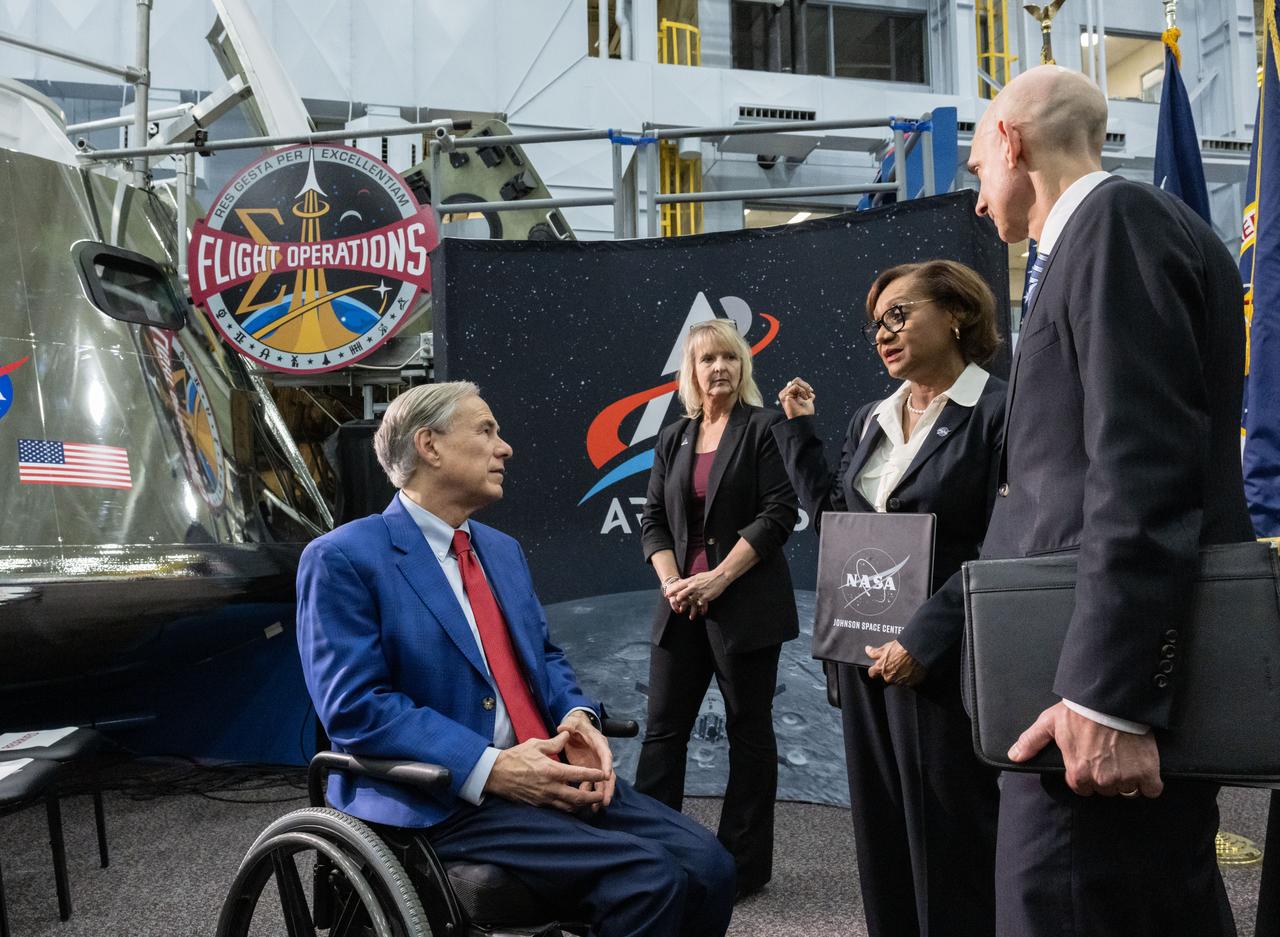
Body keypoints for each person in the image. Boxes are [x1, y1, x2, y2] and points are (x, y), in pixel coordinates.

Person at [953, 65, 1253, 936]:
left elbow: (1143, 469)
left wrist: (1107, 698)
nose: (978, 200)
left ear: (1010, 142)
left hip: (1092, 718)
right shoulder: (1095, 245)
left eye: (977, 169)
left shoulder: (1115, 225)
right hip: (1073, 699)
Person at [296, 381, 736, 937]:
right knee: (650, 880)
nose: (504, 448)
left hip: (545, 770)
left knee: (712, 865)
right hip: (440, 798)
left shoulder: (499, 550)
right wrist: (493, 767)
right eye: (486, 431)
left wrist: (577, 716)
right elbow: (356, 709)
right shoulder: (342, 558)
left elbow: (544, 658)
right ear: (429, 446)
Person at [774, 259, 1006, 937]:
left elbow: (1010, 545)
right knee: (882, 840)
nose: (884, 332)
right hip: (863, 661)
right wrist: (796, 434)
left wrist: (925, 638)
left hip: (946, 666)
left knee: (952, 845)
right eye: (876, 324)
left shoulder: (997, 412)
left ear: (958, 313)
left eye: (899, 313)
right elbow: (840, 524)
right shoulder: (870, 418)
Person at [635, 318, 799, 900]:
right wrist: (677, 581)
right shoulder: (673, 435)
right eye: (708, 359)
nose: (719, 368)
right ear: (692, 370)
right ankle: (652, 857)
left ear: (742, 366)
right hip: (681, 606)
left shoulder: (765, 427)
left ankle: (741, 868)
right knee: (661, 736)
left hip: (745, 607)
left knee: (749, 734)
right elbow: (653, 518)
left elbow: (779, 513)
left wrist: (716, 578)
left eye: (729, 358)